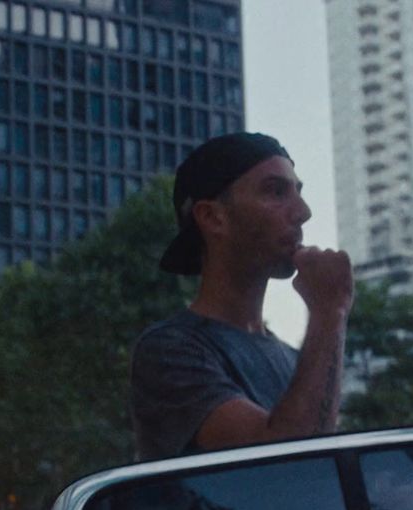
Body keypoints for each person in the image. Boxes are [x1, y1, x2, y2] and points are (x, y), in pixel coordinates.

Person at [131, 132, 354, 461]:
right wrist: (328, 311)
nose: (303, 212)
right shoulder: (170, 350)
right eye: (276, 191)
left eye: (298, 192)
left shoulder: (297, 359)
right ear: (212, 217)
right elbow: (287, 462)